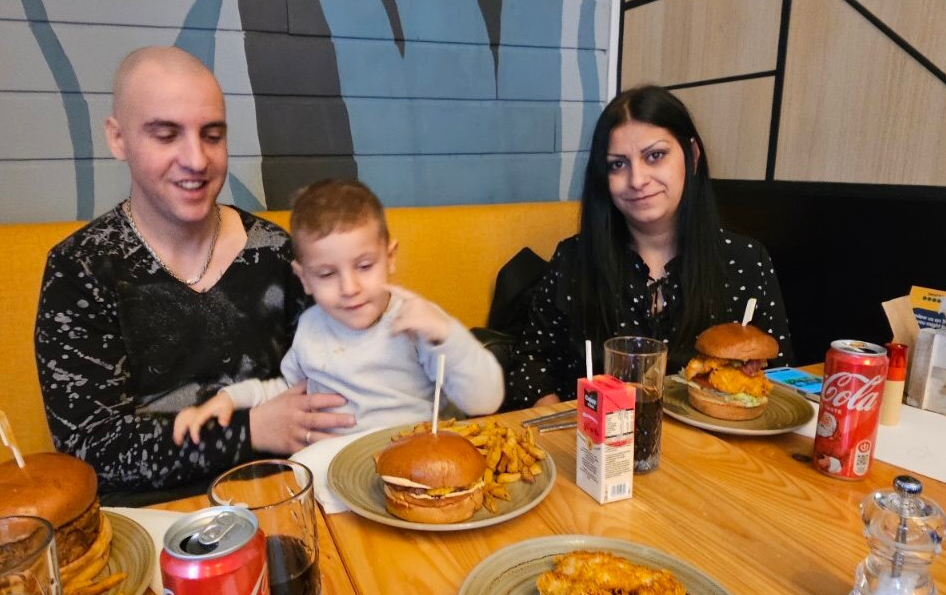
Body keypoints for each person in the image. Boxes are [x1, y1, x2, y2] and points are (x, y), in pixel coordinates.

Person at [34, 47, 353, 501]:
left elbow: (332, 379)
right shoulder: (80, 269)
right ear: (118, 139)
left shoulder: (277, 253)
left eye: (212, 135)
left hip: (286, 498)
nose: (197, 160)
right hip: (151, 519)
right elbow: (90, 451)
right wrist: (249, 431)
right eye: (167, 135)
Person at [509, 85, 793, 407]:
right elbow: (531, 364)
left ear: (692, 156)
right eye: (618, 164)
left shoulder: (746, 260)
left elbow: (781, 376)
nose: (637, 180)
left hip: (713, 437)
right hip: (591, 435)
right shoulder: (574, 259)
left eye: (655, 156)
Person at [173, 179, 505, 446]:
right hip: (334, 463)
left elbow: (485, 402)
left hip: (415, 455)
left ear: (390, 258)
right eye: (327, 274)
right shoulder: (310, 327)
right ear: (304, 278)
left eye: (364, 266)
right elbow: (288, 389)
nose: (349, 288)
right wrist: (230, 399)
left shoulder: (419, 321)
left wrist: (447, 337)